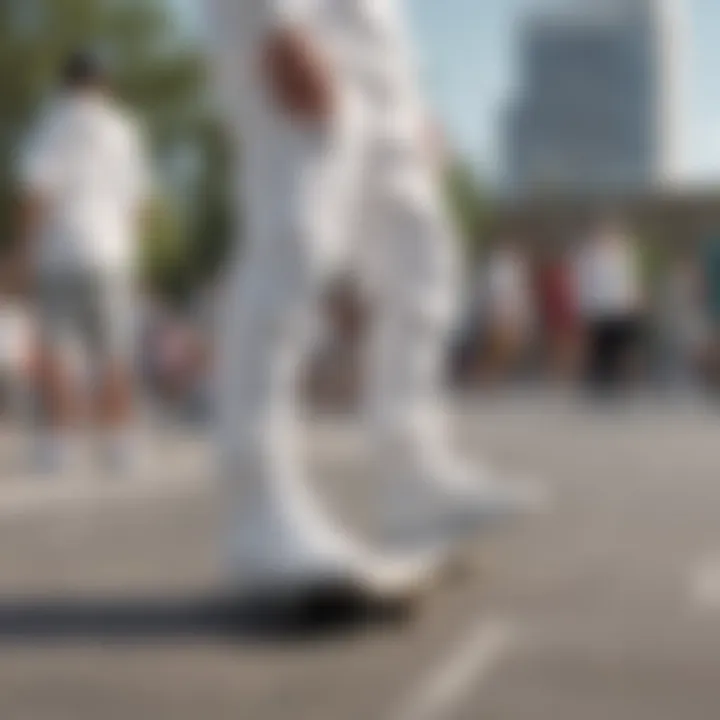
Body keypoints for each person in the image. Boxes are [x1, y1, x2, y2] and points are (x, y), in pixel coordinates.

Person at [207, 0, 540, 608]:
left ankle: (410, 474)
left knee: (423, 261)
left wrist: (408, 96)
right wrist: (276, 24)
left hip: (373, 51)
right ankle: (256, 504)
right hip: (300, 25)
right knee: (294, 239)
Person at [12, 51, 149, 475]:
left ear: (64, 83)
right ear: (105, 83)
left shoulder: (50, 124)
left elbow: (39, 193)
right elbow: (137, 202)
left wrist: (23, 252)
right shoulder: (124, 128)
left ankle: (59, 443)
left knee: (56, 351)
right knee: (115, 352)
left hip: (60, 250)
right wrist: (130, 250)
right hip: (111, 252)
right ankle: (118, 442)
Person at [574, 217, 645, 393]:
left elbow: (632, 280)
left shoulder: (626, 253)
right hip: (598, 310)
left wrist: (635, 302)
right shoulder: (589, 254)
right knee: (600, 350)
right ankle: (599, 386)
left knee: (621, 348)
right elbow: (583, 282)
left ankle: (619, 386)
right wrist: (584, 307)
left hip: (621, 309)